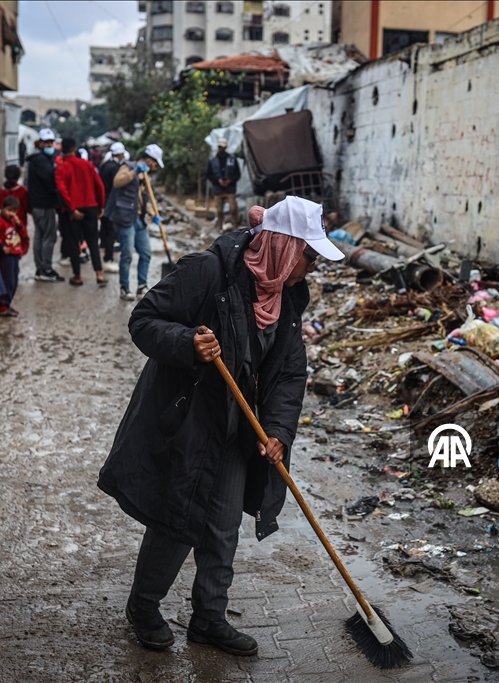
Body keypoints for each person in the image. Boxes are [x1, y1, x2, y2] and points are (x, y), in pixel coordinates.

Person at [97, 196, 345, 655]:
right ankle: (144, 607)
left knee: (224, 525)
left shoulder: (288, 296)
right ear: (284, 246)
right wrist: (188, 341)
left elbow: (289, 374)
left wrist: (278, 433)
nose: (312, 267)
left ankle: (208, 618)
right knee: (176, 518)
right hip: (190, 419)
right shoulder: (208, 272)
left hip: (240, 428)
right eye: (309, 256)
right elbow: (144, 320)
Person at [103, 144, 163, 301]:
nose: (156, 168)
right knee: (127, 254)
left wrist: (152, 214)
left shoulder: (145, 176)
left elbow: (144, 199)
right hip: (124, 218)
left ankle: (142, 286)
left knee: (145, 253)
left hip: (138, 219)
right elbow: (117, 182)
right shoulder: (127, 167)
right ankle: (125, 287)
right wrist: (134, 172)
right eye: (155, 164)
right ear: (149, 160)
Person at [55, 137, 106, 286]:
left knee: (73, 242)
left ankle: (77, 276)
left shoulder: (61, 168)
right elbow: (100, 186)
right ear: (75, 149)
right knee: (92, 241)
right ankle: (99, 274)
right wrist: (100, 206)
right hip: (90, 207)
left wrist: (71, 208)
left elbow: (62, 189)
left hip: (73, 212)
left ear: (62, 150)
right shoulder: (87, 165)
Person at [27, 128, 64, 283]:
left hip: (37, 204)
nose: (49, 145)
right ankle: (45, 268)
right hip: (43, 204)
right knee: (49, 236)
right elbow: (51, 179)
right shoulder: (41, 160)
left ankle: (40, 268)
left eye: (51, 142)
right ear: (41, 143)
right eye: (46, 142)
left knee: (40, 236)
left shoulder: (36, 159)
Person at [0, 195, 30, 318]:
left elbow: (24, 235)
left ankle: (7, 304)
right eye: (9, 210)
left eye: (14, 211)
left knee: (14, 281)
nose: (11, 213)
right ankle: (2, 306)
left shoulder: (14, 222)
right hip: (6, 256)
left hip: (15, 255)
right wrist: (2, 246)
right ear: (2, 208)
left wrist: (19, 224)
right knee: (7, 281)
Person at [98, 142, 126, 273]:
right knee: (111, 231)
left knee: (104, 227)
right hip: (112, 202)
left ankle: (103, 246)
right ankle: (108, 258)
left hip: (104, 201)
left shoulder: (105, 165)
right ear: (120, 154)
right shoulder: (115, 168)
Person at [206, 138, 241, 229]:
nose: (221, 148)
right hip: (218, 189)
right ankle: (220, 227)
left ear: (225, 147)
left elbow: (237, 174)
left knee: (233, 209)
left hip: (230, 189)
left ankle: (235, 226)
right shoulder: (212, 161)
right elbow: (208, 174)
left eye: (223, 147)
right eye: (220, 147)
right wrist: (218, 180)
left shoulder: (232, 159)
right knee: (219, 211)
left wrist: (230, 180)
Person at [0, 164, 28, 229]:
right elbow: (27, 207)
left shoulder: (2, 191)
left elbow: (0, 205)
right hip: (20, 222)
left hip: (5, 223)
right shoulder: (22, 190)